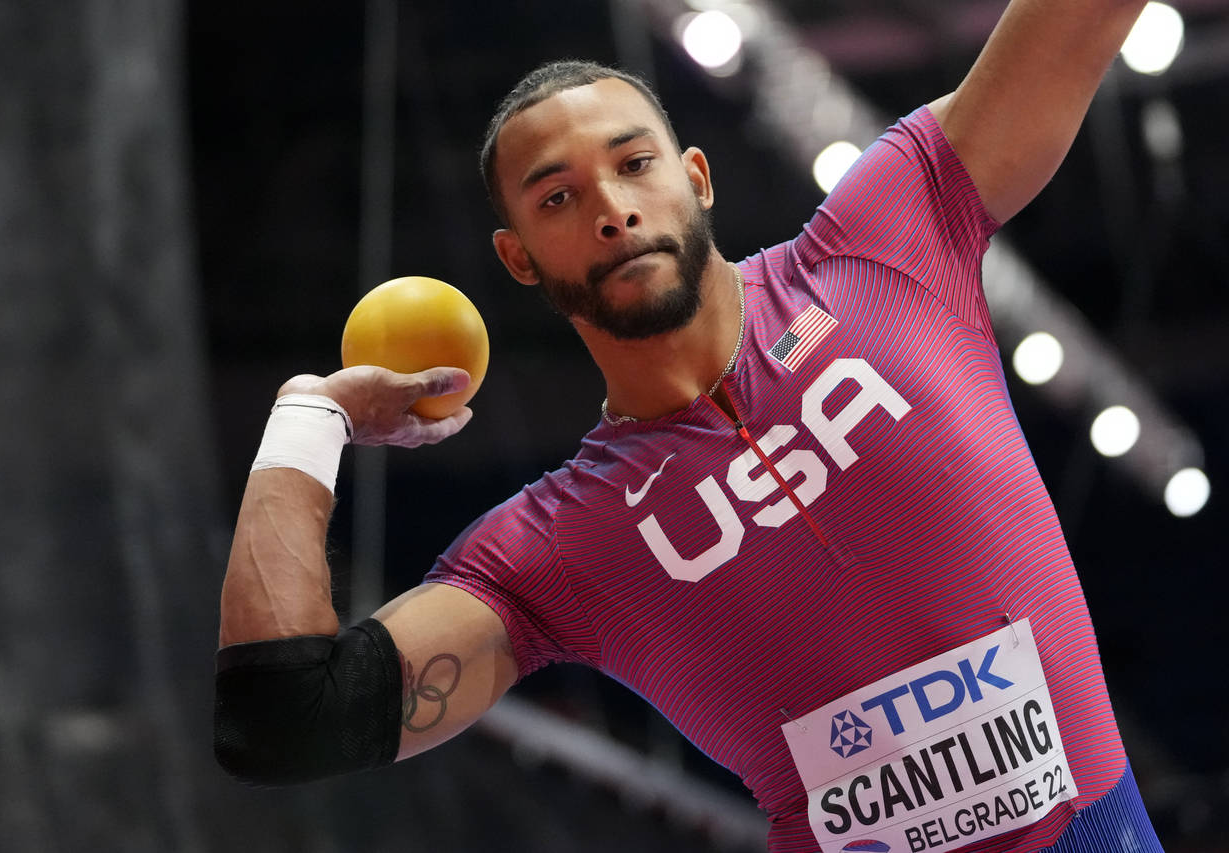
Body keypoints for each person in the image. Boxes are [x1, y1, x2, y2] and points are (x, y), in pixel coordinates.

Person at [214, 1, 1166, 849]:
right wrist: (310, 418)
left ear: (697, 176)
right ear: (517, 258)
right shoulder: (558, 548)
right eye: (559, 197)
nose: (613, 210)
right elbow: (284, 720)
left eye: (634, 164)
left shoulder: (890, 238)